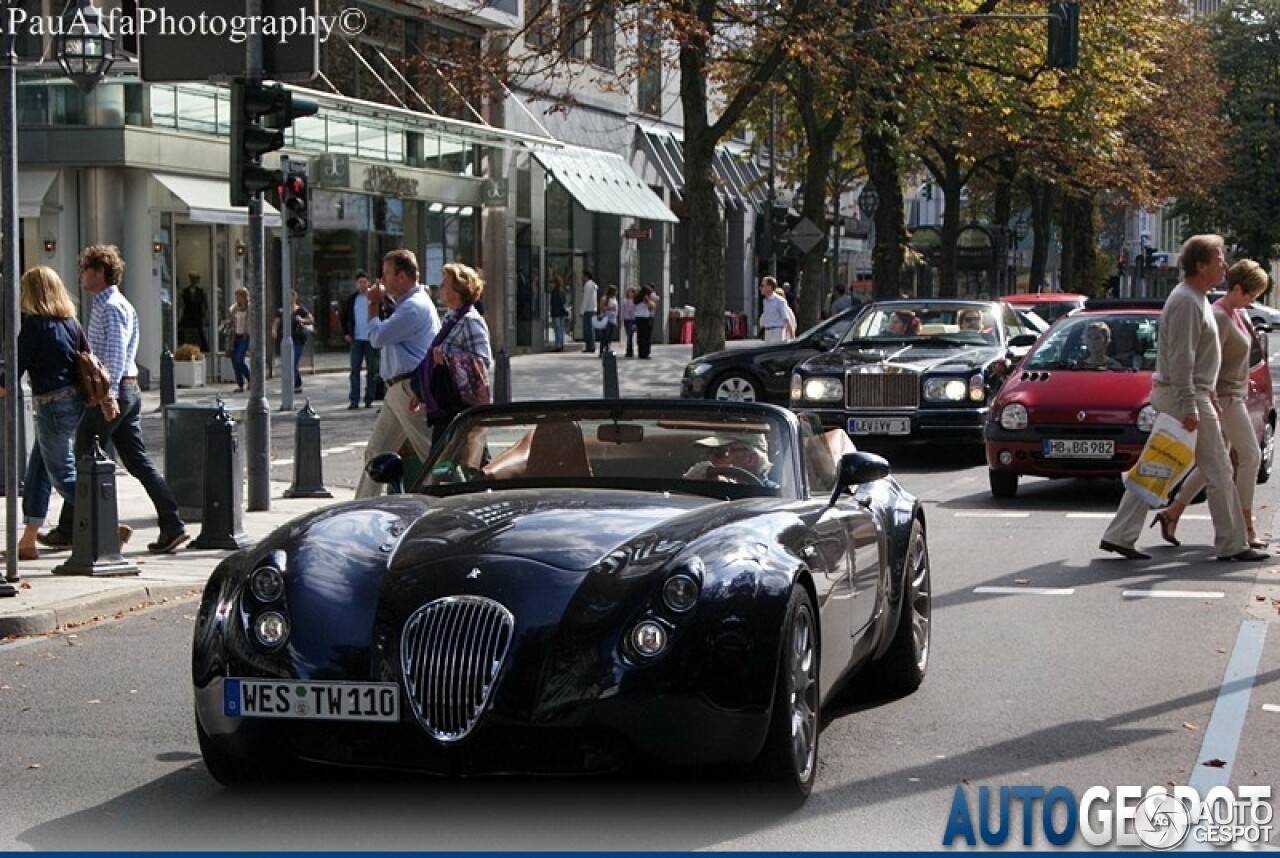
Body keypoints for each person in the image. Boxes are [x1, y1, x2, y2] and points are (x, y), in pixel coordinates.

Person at [1100, 234, 1265, 562]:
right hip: (1185, 396)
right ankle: (1232, 544)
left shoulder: (1195, 298)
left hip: (1191, 395)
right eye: (1219, 260)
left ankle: (1119, 535)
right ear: (1201, 265)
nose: (1224, 266)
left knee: (1157, 466)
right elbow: (1182, 360)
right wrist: (1191, 403)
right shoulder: (1188, 301)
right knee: (1218, 470)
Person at [42, 244, 189, 554]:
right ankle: (172, 524)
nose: (80, 275)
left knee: (83, 455)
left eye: (84, 269)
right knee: (135, 460)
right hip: (125, 390)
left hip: (114, 391)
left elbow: (115, 354)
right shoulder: (109, 304)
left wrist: (107, 398)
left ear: (99, 272)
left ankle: (74, 528)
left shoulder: (111, 306)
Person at [1151, 259, 1271, 550]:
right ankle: (1245, 525)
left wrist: (1244, 378)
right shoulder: (1219, 315)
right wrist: (1209, 396)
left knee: (1212, 464)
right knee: (1250, 456)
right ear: (1239, 288)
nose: (1252, 301)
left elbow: (1233, 357)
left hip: (1233, 393)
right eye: (1251, 294)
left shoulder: (1236, 313)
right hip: (1223, 397)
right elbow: (1205, 362)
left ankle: (1173, 512)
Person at [0, 267, 85, 560]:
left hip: (51, 407)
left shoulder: (36, 325)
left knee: (62, 475)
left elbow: (15, 366)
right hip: (73, 404)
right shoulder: (71, 323)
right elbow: (85, 358)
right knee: (39, 470)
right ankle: (28, 540)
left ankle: (105, 525)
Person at [355, 249, 440, 499]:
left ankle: (462, 500)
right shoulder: (408, 304)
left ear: (402, 277)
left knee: (432, 454)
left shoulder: (413, 308)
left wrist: (372, 305)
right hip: (396, 390)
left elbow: (377, 338)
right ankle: (360, 508)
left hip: (409, 389)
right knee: (376, 453)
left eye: (387, 274)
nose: (381, 280)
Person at [415, 262, 493, 448]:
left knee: (454, 461)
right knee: (453, 460)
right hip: (447, 403)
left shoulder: (470, 321)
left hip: (461, 406)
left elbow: (483, 361)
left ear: (458, 289)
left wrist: (450, 360)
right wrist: (419, 390)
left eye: (445, 283)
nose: (440, 287)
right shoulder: (451, 319)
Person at [340, 272, 380, 409]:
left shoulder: (374, 298)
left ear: (368, 283)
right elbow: (343, 316)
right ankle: (354, 400)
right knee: (355, 371)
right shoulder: (352, 299)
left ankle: (369, 399)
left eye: (364, 282)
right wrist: (346, 332)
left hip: (371, 339)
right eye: (360, 282)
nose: (362, 285)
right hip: (356, 339)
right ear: (356, 284)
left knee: (372, 371)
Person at [682, 432, 777, 487]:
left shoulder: (774, 496)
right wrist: (691, 484)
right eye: (709, 451)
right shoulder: (708, 487)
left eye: (719, 451)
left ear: (750, 459)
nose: (710, 458)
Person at [271, 289, 314, 394]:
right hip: (285, 339)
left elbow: (311, 320)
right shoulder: (281, 311)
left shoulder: (300, 310)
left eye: (291, 297)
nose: (289, 299)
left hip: (298, 339)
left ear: (295, 298)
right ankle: (295, 384)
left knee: (293, 362)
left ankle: (294, 384)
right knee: (287, 362)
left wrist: (302, 320)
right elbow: (276, 322)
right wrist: (274, 331)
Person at [226, 286, 251, 393]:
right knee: (234, 360)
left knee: (239, 359)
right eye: (236, 296)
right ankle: (240, 384)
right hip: (235, 336)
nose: (237, 298)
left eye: (239, 296)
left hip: (245, 336)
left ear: (244, 296)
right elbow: (231, 321)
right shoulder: (234, 308)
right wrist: (227, 322)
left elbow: (250, 322)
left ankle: (250, 378)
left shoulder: (250, 308)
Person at [178, 272, 208, 351]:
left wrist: (205, 317)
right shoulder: (185, 291)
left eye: (196, 279)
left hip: (198, 316)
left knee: (200, 334)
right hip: (187, 315)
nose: (194, 281)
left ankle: (204, 349)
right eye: (192, 279)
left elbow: (204, 305)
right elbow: (181, 305)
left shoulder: (201, 292)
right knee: (185, 333)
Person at [759, 275, 790, 343]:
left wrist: (791, 336)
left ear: (769, 287)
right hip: (767, 332)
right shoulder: (765, 301)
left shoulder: (780, 301)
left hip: (777, 332)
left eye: (762, 286)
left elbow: (786, 319)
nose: (760, 288)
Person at [635, 284, 656, 359]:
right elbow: (652, 305)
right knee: (647, 337)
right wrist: (649, 300)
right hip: (645, 318)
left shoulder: (637, 298)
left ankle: (640, 353)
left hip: (638, 318)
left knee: (640, 337)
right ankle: (646, 353)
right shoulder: (645, 298)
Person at [579, 270, 598, 353]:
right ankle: (592, 346)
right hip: (593, 309)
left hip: (588, 310)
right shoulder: (593, 285)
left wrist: (582, 310)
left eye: (583, 276)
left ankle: (589, 347)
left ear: (586, 276)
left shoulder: (587, 285)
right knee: (591, 329)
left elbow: (585, 299)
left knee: (587, 330)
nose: (582, 277)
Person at [598, 284, 619, 357]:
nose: (617, 292)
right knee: (605, 335)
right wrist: (609, 308)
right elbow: (601, 307)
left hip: (612, 319)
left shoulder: (614, 299)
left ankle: (607, 348)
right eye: (615, 291)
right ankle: (602, 350)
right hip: (606, 319)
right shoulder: (605, 298)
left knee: (610, 336)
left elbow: (616, 310)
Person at [548, 274, 567, 352]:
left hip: (556, 312)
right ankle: (561, 344)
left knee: (557, 329)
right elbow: (564, 301)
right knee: (561, 329)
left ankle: (558, 345)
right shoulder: (562, 292)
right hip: (561, 312)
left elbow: (552, 302)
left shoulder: (554, 292)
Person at [620, 286, 638, 357]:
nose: (631, 293)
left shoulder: (635, 301)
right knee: (628, 335)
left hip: (633, 319)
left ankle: (630, 351)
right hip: (626, 319)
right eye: (629, 292)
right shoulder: (625, 301)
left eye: (632, 292)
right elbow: (622, 311)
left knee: (630, 335)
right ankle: (629, 351)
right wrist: (621, 319)